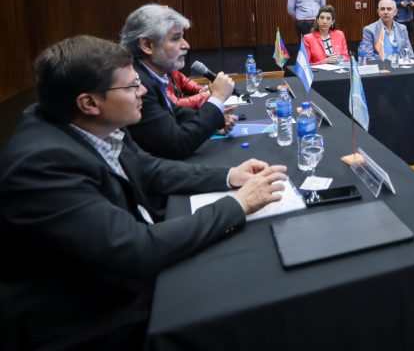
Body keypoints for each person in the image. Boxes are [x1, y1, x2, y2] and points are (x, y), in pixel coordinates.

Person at [0, 35, 288, 350]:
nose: (142, 92)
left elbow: (151, 170)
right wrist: (238, 204)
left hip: (119, 278)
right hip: (91, 318)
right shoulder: (42, 166)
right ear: (89, 103)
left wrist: (230, 176)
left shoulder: (93, 123)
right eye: (130, 87)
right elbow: (136, 248)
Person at [121, 4, 237, 160]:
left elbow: (173, 113)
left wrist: (214, 118)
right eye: (176, 38)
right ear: (147, 45)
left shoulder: (149, 74)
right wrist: (216, 100)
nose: (186, 45)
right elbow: (177, 145)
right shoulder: (137, 84)